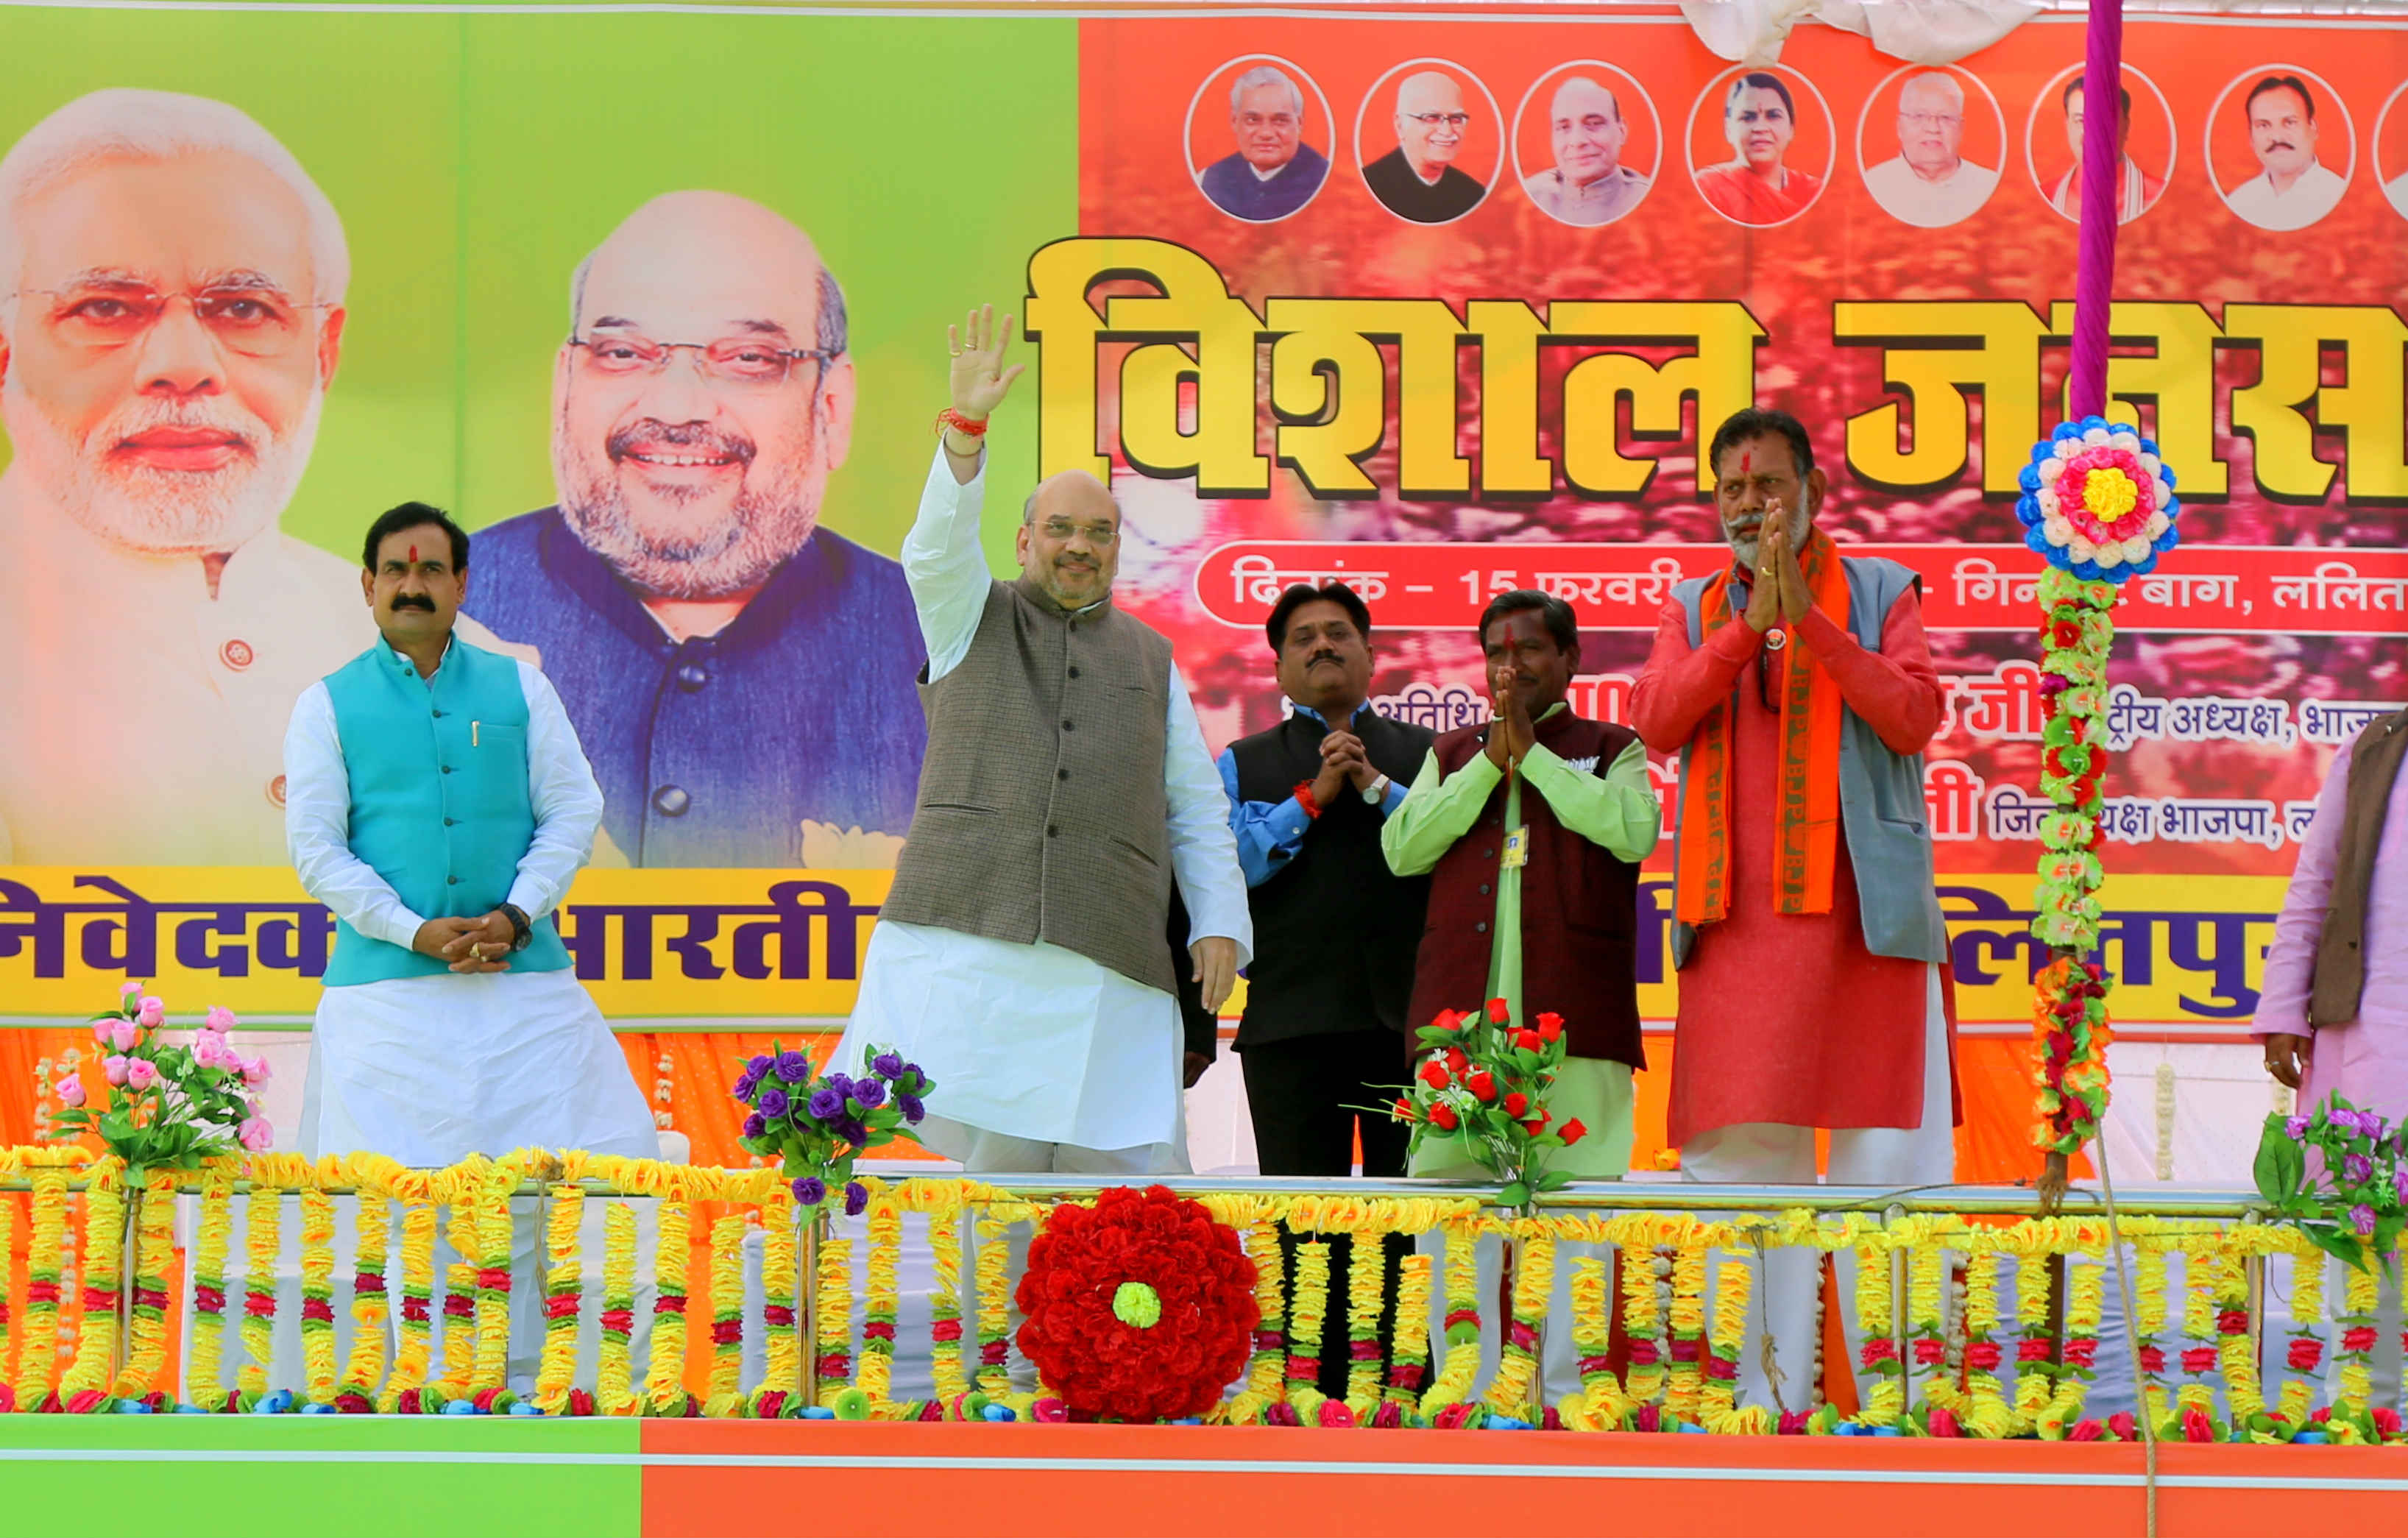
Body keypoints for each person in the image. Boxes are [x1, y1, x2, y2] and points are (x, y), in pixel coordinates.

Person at [835, 305, 1251, 1175]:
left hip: (1107, 961)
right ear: (1024, 539)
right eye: (1060, 528)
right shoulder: (965, 616)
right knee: (998, 1186)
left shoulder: (1150, 656)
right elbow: (933, 550)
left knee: (1114, 1188)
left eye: (1098, 532)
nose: (1078, 547)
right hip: (972, 946)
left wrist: (1217, 922)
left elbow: (1193, 804)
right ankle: (999, 1318)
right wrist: (964, 433)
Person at [1632, 406, 1955, 1417]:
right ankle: (1765, 1405)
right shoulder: (1692, 605)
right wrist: (1742, 626)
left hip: (1869, 927)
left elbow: (1913, 715)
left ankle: (1905, 1408)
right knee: (1745, 1173)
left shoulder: (1879, 592)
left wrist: (1807, 621)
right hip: (1738, 929)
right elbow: (1655, 719)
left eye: (1768, 484)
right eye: (1731, 489)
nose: (1748, 504)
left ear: (1813, 492)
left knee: (1884, 1170)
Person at [466, 192, 924, 868]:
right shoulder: (446, 614)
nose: (676, 407)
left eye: (748, 359)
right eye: (623, 353)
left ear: (832, 405)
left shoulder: (936, 647)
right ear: (565, 384)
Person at [0, 91, 370, 862]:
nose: (184, 367)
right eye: (104, 308)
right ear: (6, 353)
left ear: (324, 353)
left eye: (242, 308)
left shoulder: (453, 662)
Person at [286, 499, 656, 1166]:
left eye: (431, 570)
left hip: (525, 986)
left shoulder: (522, 686)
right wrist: (410, 930)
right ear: (368, 586)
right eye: (395, 570)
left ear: (460, 585)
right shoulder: (325, 705)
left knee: (583, 1174)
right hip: (382, 997)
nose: (412, 586)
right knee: (390, 1206)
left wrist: (516, 915)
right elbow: (317, 850)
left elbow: (574, 808)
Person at [1218, 581, 1431, 1394]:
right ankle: (1302, 1387)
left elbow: (1448, 852)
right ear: (1276, 665)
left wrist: (1377, 786)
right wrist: (1311, 799)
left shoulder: (1428, 754)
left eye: (1338, 633)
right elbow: (1227, 869)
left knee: (1396, 1218)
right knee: (1298, 1219)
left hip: (1400, 1027)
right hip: (1289, 1025)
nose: (1321, 647)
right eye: (1301, 637)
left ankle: (1396, 1388)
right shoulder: (1241, 761)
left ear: (1371, 656)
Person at [2256, 709, 2407, 1403]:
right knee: (2367, 1231)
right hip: (2374, 1029)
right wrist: (2286, 1008)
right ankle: (2369, 1415)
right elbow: (2315, 883)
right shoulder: (2379, 746)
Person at [1860, 71, 1997, 228]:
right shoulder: (1874, 184)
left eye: (1945, 117)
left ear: (1961, 128)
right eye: (1919, 116)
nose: (1933, 128)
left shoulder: (1987, 185)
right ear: (1899, 126)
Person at [1197, 64, 1329, 222]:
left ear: (1299, 123)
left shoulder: (1327, 181)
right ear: (1234, 122)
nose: (1266, 133)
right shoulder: (1209, 180)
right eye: (1253, 120)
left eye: (1280, 121)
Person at [1694, 71, 1824, 225]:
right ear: (1729, 130)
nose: (1760, 128)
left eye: (1773, 116)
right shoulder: (1707, 187)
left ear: (1791, 129)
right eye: (1748, 117)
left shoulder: (1815, 191)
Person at [2223, 74, 2347, 231]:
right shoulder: (2239, 202)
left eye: (2289, 123)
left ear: (2313, 128)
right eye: (2264, 125)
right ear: (2251, 138)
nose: (2277, 137)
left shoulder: (2339, 196)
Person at [1521, 76, 1651, 227]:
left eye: (1594, 124)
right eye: (1564, 127)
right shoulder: (1528, 199)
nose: (1577, 141)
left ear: (1622, 131)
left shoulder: (1651, 202)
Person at [1361, 71, 1487, 224]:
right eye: (1431, 118)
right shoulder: (1370, 186)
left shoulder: (1473, 194)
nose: (1447, 131)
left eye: (1456, 119)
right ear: (1400, 125)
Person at [2047, 74, 2164, 224]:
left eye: (2103, 120)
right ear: (2067, 126)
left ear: (2126, 126)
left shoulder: (2159, 198)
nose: (2092, 132)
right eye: (2081, 121)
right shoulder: (2048, 196)